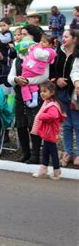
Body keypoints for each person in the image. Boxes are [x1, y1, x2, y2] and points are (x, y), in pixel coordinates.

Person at [50, 29, 79, 167]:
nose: (64, 38)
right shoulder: (58, 53)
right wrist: (57, 80)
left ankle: (78, 154)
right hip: (61, 93)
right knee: (66, 125)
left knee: (77, 124)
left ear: (74, 38)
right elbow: (51, 71)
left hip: (75, 94)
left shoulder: (78, 54)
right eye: (63, 36)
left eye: (66, 36)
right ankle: (68, 152)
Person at [31, 81, 66, 180]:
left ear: (52, 92)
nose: (42, 93)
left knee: (52, 153)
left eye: (45, 91)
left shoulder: (52, 105)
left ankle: (56, 172)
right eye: (41, 91)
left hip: (50, 133)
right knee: (46, 152)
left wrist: (41, 116)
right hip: (48, 133)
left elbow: (53, 115)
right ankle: (44, 171)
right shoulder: (48, 103)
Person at [20, 35, 56, 108]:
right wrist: (33, 47)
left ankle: (28, 100)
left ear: (50, 45)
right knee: (32, 85)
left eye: (44, 42)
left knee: (24, 83)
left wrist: (37, 46)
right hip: (32, 67)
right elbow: (31, 52)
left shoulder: (48, 51)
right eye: (41, 41)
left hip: (33, 68)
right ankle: (33, 100)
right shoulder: (43, 49)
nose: (41, 43)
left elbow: (37, 55)